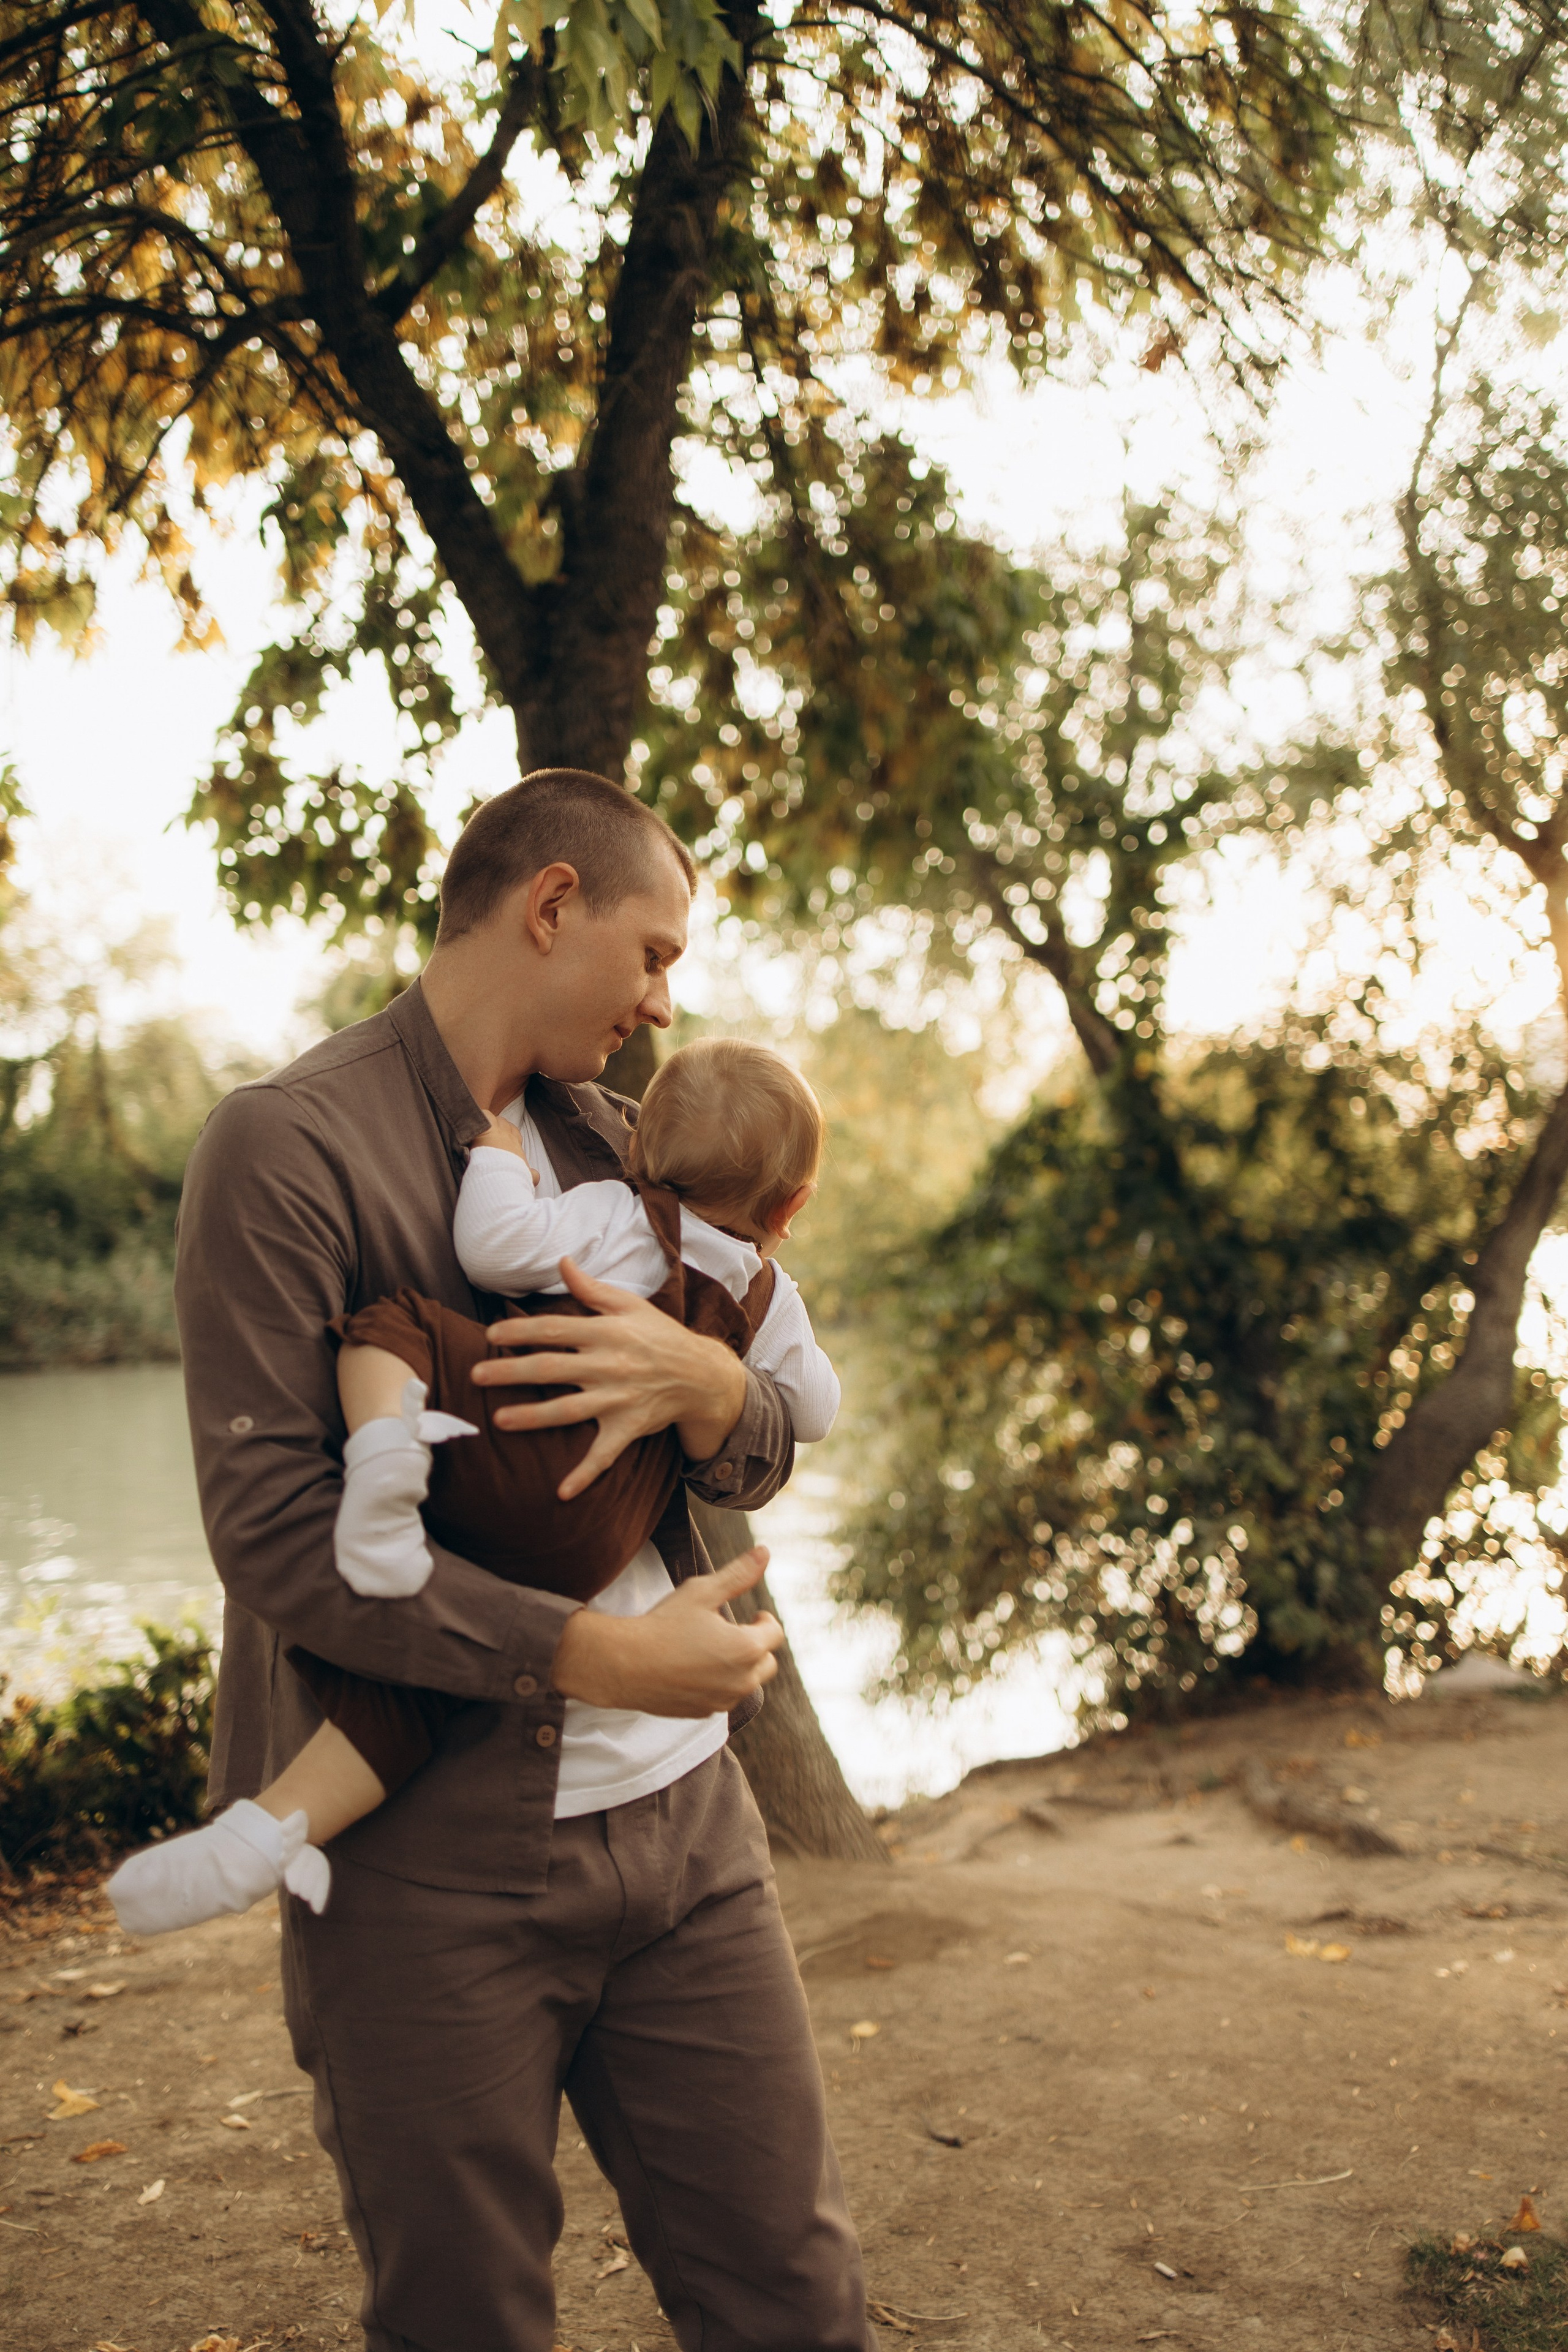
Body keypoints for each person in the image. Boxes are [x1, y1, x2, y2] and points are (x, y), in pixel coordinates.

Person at [167, 767, 878, 2352]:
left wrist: (715, 1395)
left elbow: (767, 1416)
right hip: (425, 1868)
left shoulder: (643, 1143)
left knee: (796, 2302)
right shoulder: (282, 1153)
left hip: (691, 1838)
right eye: (654, 951)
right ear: (553, 905)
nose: (662, 996)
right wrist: (591, 1657)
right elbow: (277, 1537)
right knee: (465, 2320)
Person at [107, 1038, 841, 1932]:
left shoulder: (613, 1210)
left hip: (506, 1456)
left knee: (391, 1326)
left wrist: (496, 1159)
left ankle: (386, 1465)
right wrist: (732, 1371)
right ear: (794, 1204)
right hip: (600, 1522)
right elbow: (811, 1412)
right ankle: (254, 1845)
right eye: (653, 955)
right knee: (435, 1676)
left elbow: (494, 1248)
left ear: (640, 1154)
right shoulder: (770, 1295)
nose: (659, 999)